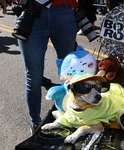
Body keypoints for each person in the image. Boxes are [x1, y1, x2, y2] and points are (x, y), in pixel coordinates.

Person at [14, 0, 77, 134]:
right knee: (34, 78)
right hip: (30, 10)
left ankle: (70, 117)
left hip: (64, 10)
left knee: (70, 76)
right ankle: (36, 123)